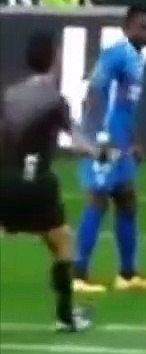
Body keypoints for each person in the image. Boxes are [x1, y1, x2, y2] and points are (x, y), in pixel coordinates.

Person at [0, 32, 96, 332]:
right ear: (54, 57)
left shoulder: (9, 95)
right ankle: (66, 316)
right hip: (36, 183)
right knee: (62, 242)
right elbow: (78, 142)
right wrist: (101, 153)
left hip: (3, 181)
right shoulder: (55, 100)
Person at [73, 5, 146, 294]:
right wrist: (95, 136)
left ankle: (126, 274)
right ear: (128, 28)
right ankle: (77, 273)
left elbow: (126, 105)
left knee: (127, 200)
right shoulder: (116, 54)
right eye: (143, 27)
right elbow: (94, 93)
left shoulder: (137, 60)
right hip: (104, 139)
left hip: (121, 142)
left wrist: (132, 140)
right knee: (98, 200)